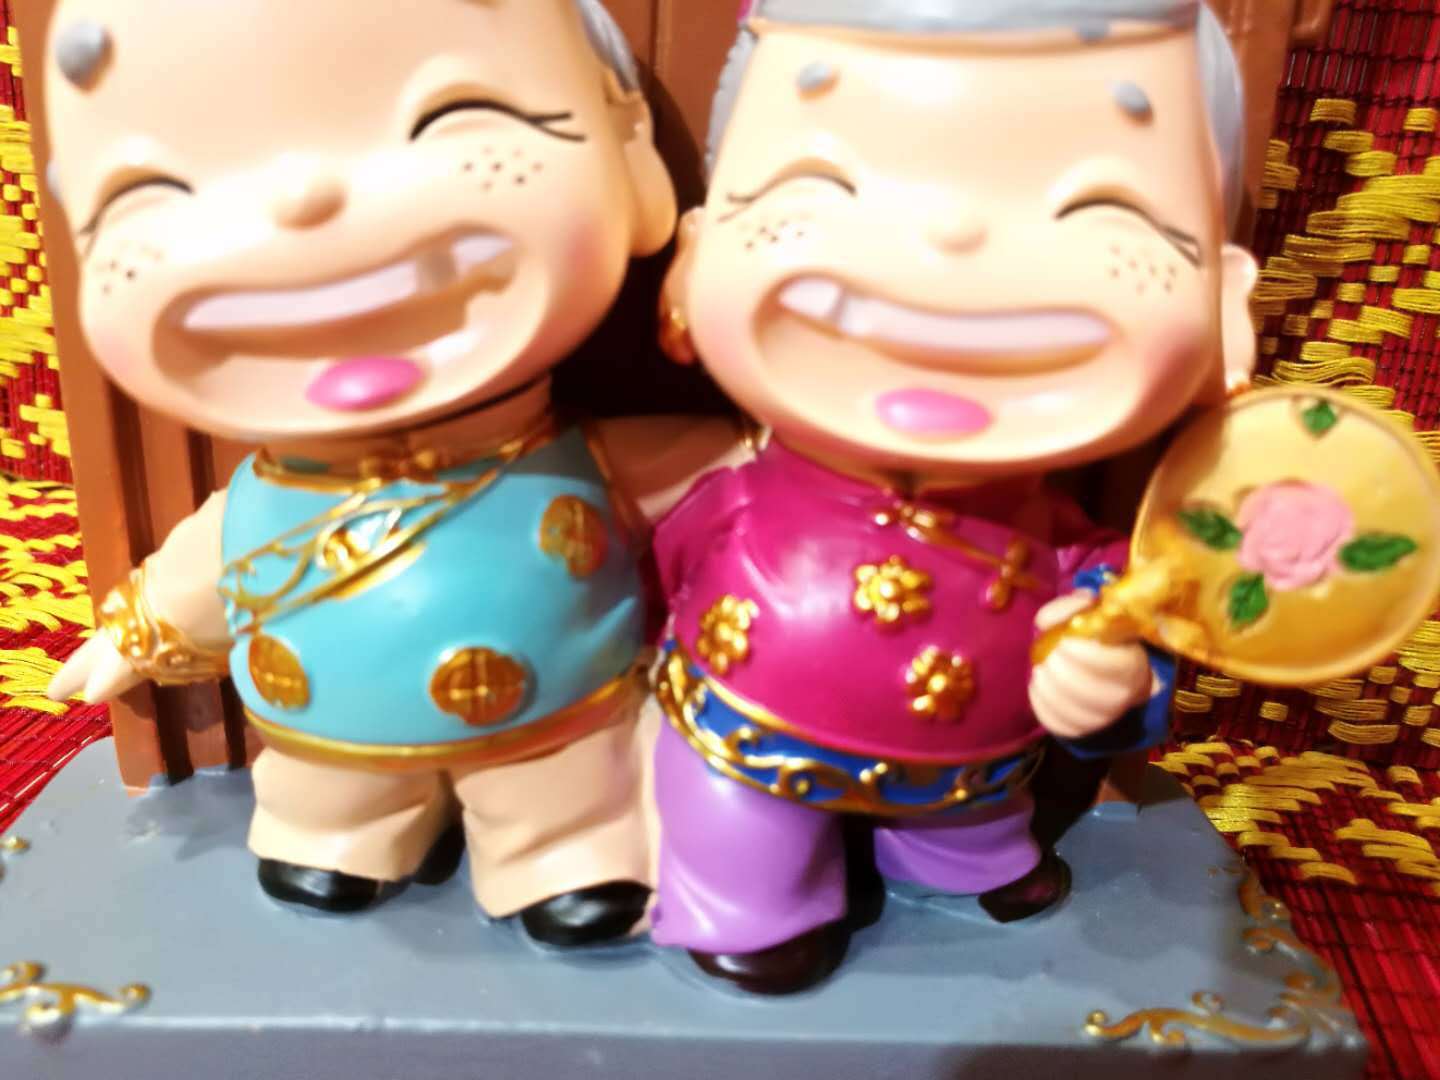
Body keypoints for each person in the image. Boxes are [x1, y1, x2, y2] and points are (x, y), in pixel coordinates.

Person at [44, 0, 734, 947]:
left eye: (449, 115)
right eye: (151, 188)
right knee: (326, 792)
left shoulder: (571, 459)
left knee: (562, 787)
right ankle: (334, 839)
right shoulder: (270, 491)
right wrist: (141, 626)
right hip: (326, 725)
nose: (303, 201)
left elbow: (709, 473)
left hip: (556, 723)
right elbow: (220, 559)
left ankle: (565, 851)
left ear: (632, 156)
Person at [650, 0, 1260, 993]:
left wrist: (1111, 675)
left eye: (1101, 204)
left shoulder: (1057, 529)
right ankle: (748, 899)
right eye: (824, 179)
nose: (951, 233)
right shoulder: (731, 482)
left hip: (974, 759)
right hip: (752, 735)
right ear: (694, 259)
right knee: (736, 826)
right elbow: (661, 561)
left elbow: (1119, 595)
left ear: (1225, 312)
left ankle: (961, 858)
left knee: (974, 821)